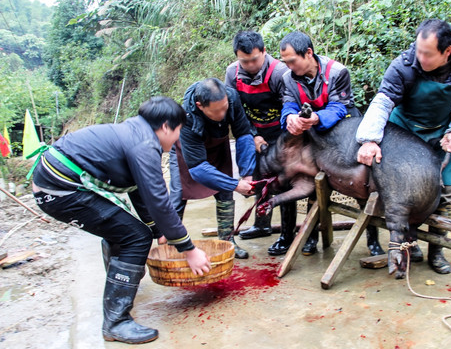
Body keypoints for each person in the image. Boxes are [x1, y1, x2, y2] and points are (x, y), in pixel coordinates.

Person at [30, 96, 212, 344]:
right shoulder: (144, 144)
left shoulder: (136, 132)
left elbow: (139, 190)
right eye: (178, 131)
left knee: (126, 230)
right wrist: (188, 249)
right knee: (134, 237)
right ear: (167, 126)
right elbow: (159, 201)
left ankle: (117, 287)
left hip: (56, 183)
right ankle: (116, 321)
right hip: (59, 190)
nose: (178, 138)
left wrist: (158, 229)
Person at [356, 19, 451, 274]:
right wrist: (369, 139)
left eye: (427, 54)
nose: (420, 56)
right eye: (418, 50)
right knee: (402, 189)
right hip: (402, 131)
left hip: (439, 135)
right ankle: (408, 242)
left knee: (445, 192)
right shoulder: (403, 66)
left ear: (447, 52)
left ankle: (437, 250)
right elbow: (382, 102)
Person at [279, 31, 382, 257]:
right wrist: (289, 118)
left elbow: (340, 107)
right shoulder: (288, 78)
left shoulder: (337, 72)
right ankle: (311, 237)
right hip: (313, 134)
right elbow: (287, 103)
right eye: (285, 62)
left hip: (344, 131)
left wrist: (316, 118)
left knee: (360, 184)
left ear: (308, 53)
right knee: (314, 185)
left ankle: (373, 240)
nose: (289, 66)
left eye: (292, 61)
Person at [224, 30, 297, 256]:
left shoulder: (280, 72)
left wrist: (283, 140)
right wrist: (253, 134)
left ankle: (287, 234)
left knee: (283, 182)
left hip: (283, 131)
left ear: (264, 51)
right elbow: (235, 111)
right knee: (258, 179)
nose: (250, 65)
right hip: (253, 132)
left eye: (254, 59)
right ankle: (262, 224)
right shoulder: (232, 73)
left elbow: (290, 105)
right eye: (244, 61)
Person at [168, 78, 256, 259]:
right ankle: (172, 245)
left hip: (217, 146)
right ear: (200, 106)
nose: (224, 114)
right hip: (188, 155)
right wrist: (235, 184)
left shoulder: (231, 97)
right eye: (217, 111)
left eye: (225, 108)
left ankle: (227, 240)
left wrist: (247, 173)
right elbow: (198, 168)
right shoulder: (185, 116)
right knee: (177, 198)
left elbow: (243, 134)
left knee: (225, 193)